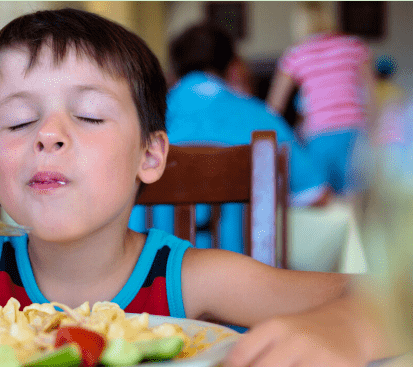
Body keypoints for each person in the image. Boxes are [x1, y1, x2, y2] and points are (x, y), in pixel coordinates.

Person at [0, 8, 399, 367]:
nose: (49, 134)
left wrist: (350, 327)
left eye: (87, 114)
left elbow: (396, 298)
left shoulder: (197, 279)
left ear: (150, 156)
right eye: (18, 121)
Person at [141, 22, 329, 252]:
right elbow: (316, 194)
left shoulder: (143, 121)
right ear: (233, 67)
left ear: (173, 71)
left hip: (154, 279)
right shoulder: (262, 118)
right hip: (245, 279)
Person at [266, 2, 375, 197]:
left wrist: (289, 141)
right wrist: (375, 135)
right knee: (359, 204)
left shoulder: (296, 55)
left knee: (325, 204)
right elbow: (372, 96)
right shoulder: (354, 46)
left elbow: (273, 109)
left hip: (319, 136)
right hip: (354, 135)